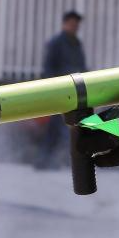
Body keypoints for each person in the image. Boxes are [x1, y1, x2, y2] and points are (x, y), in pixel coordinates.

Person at [35, 10, 87, 169]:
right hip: (59, 91)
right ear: (65, 24)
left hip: (73, 91)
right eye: (72, 24)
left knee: (61, 128)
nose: (75, 27)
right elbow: (48, 67)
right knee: (57, 127)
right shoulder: (56, 43)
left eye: (76, 25)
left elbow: (81, 67)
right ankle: (45, 161)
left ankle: (49, 161)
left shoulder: (76, 44)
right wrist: (52, 88)